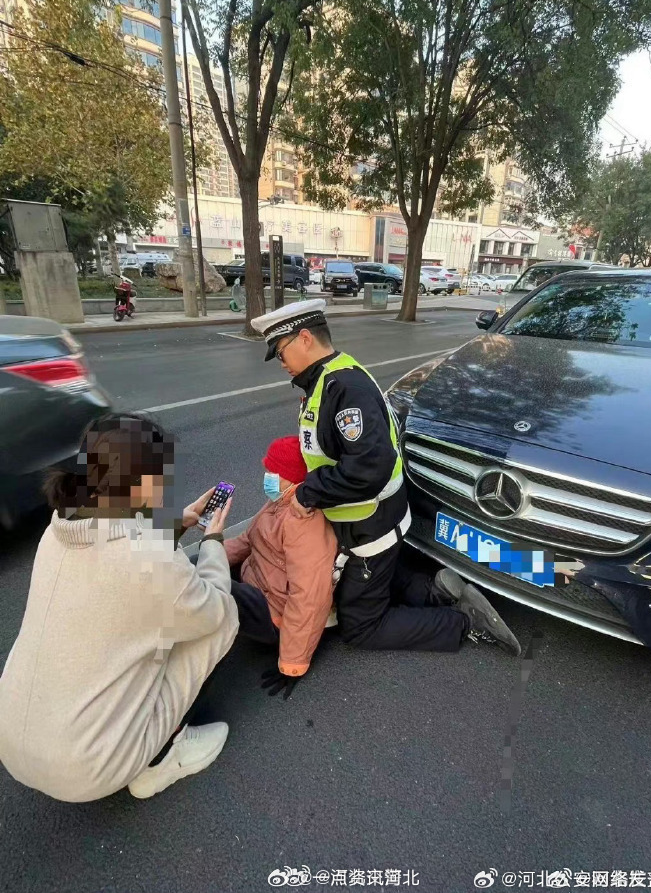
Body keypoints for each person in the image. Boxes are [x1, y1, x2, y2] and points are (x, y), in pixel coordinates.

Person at [251, 300, 521, 657]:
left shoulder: (344, 389)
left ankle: (463, 623)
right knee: (369, 583)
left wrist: (307, 494)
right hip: (361, 524)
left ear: (304, 338)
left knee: (360, 626)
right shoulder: (325, 380)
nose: (280, 362)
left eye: (281, 351)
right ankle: (437, 590)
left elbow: (369, 468)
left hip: (370, 528)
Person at [0, 413, 238, 802]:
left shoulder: (59, 526)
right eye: (163, 476)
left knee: (156, 615)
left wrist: (177, 523)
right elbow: (210, 609)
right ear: (144, 483)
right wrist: (212, 539)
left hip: (9, 736)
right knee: (224, 617)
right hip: (87, 769)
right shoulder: (148, 561)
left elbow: (123, 544)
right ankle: (162, 758)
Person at [222, 436, 338, 699]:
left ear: (292, 476)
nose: (266, 476)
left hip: (273, 614)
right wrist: (210, 554)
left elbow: (309, 597)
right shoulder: (280, 500)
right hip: (257, 585)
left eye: (272, 471)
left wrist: (292, 664)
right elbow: (246, 541)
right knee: (199, 569)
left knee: (214, 591)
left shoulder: (304, 523)